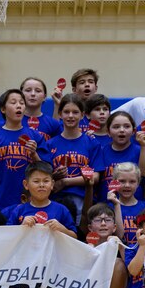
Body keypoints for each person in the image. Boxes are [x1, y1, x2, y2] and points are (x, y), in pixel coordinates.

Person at [37, 93, 98, 228]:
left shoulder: (91, 143)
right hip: (56, 200)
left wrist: (65, 182)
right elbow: (45, 175)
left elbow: (96, 176)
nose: (70, 116)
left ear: (82, 115)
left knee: (79, 236)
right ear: (60, 114)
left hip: (83, 200)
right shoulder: (50, 144)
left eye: (75, 112)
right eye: (66, 112)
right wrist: (55, 176)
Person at [0, 88, 40, 211]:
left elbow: (45, 170)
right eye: (13, 103)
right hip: (0, 200)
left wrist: (34, 154)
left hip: (30, 200)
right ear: (3, 109)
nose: (18, 106)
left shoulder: (35, 136)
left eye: (22, 103)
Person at [84, 203, 129, 288]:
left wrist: (121, 248)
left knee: (119, 263)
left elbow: (132, 271)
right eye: (98, 220)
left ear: (114, 227)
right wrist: (88, 253)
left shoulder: (121, 245)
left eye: (108, 220)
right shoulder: (83, 246)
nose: (103, 224)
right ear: (90, 227)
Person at [2, 161, 76, 236]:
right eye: (36, 181)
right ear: (26, 184)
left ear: (52, 184)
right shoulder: (19, 210)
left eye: (46, 181)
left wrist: (63, 229)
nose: (41, 185)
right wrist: (22, 227)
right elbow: (7, 237)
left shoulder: (61, 210)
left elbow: (75, 237)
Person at [94, 111, 145, 204]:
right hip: (106, 207)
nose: (122, 130)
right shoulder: (101, 152)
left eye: (127, 126)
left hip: (133, 206)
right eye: (116, 127)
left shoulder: (140, 151)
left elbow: (144, 174)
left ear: (133, 131)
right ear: (108, 132)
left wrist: (143, 146)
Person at [107, 162, 145, 247]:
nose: (127, 185)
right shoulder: (108, 208)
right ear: (114, 183)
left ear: (138, 183)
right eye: (122, 181)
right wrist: (117, 205)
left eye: (132, 181)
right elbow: (119, 236)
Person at [18, 77, 61, 142]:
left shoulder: (52, 123)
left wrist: (57, 104)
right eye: (28, 90)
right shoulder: (13, 121)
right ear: (21, 95)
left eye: (38, 91)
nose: (33, 94)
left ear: (44, 97)